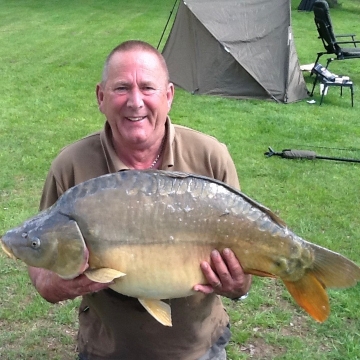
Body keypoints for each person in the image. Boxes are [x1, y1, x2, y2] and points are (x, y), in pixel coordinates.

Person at [28, 40, 252, 360]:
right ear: (101, 97)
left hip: (197, 348)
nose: (136, 102)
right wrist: (56, 284)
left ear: (169, 96)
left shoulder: (211, 157)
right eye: (121, 88)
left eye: (148, 87)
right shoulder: (71, 166)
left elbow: (246, 269)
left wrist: (239, 286)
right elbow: (40, 257)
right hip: (106, 350)